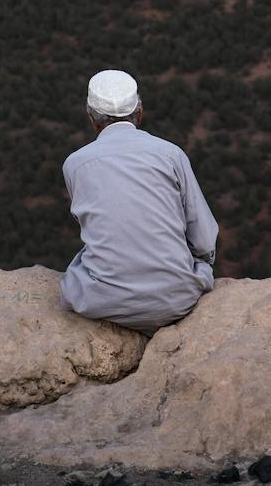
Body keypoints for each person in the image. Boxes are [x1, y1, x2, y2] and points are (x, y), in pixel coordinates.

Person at [59, 69, 219, 334]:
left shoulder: (75, 164)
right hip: (177, 300)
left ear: (91, 118)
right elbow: (203, 237)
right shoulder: (170, 154)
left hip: (103, 302)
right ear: (140, 112)